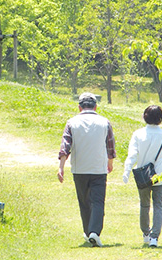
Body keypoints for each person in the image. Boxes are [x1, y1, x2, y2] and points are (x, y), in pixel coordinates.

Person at [58, 92, 116, 247]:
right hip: (99, 168)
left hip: (80, 169)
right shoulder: (104, 122)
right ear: (96, 107)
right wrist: (110, 162)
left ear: (79, 107)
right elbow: (110, 145)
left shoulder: (72, 122)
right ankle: (94, 232)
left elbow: (65, 146)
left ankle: (88, 231)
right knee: (98, 201)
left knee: (84, 202)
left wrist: (61, 167)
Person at [122, 105, 162, 248]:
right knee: (158, 205)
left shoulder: (138, 134)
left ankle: (145, 233)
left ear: (145, 116)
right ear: (160, 118)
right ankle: (154, 237)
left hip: (143, 175)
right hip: (160, 174)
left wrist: (126, 171)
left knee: (144, 205)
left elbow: (132, 155)